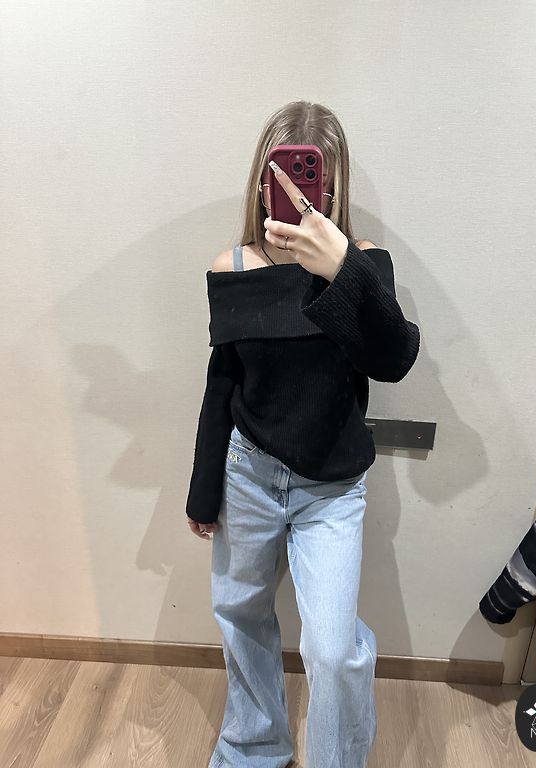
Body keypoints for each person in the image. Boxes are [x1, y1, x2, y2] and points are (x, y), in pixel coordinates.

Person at [185, 101, 421, 768]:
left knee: (332, 649)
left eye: (311, 179)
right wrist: (204, 490)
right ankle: (254, 745)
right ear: (262, 186)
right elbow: (223, 380)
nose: (293, 194)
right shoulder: (233, 267)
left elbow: (393, 359)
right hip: (247, 474)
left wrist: (340, 270)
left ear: (334, 189)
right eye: (280, 179)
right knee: (240, 615)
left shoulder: (364, 265)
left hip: (331, 488)